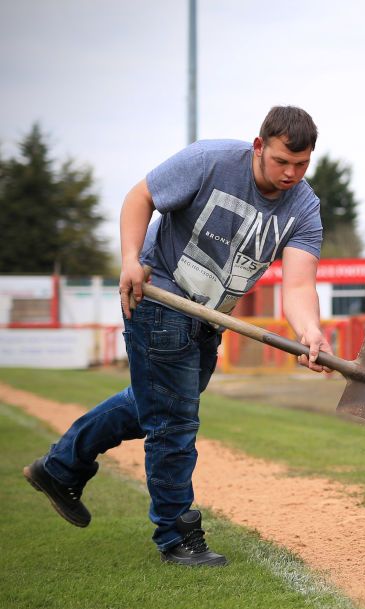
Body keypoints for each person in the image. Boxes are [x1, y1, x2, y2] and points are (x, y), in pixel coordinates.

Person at [22, 106, 332, 567]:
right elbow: (139, 196)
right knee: (173, 422)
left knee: (152, 403)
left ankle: (62, 466)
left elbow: (300, 284)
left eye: (301, 164)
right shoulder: (209, 161)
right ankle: (176, 536)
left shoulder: (304, 206)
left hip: (209, 316)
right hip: (161, 297)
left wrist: (310, 332)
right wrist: (130, 257)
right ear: (259, 146)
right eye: (282, 161)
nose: (290, 173)